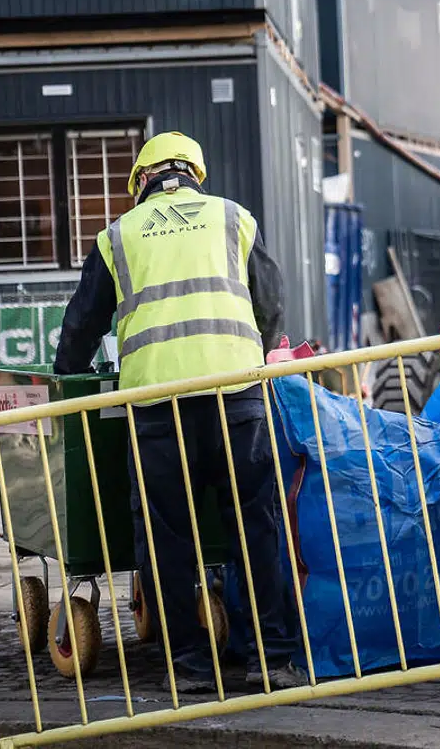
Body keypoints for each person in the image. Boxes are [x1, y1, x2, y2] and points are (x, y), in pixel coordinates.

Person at [53, 131, 305, 693]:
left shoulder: (119, 235)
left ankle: (188, 666)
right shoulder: (232, 218)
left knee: (166, 535)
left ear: (141, 182)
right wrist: (254, 349)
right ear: (194, 173)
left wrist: (68, 377)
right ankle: (276, 659)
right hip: (234, 394)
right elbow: (271, 301)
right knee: (254, 526)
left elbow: (81, 326)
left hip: (158, 406)